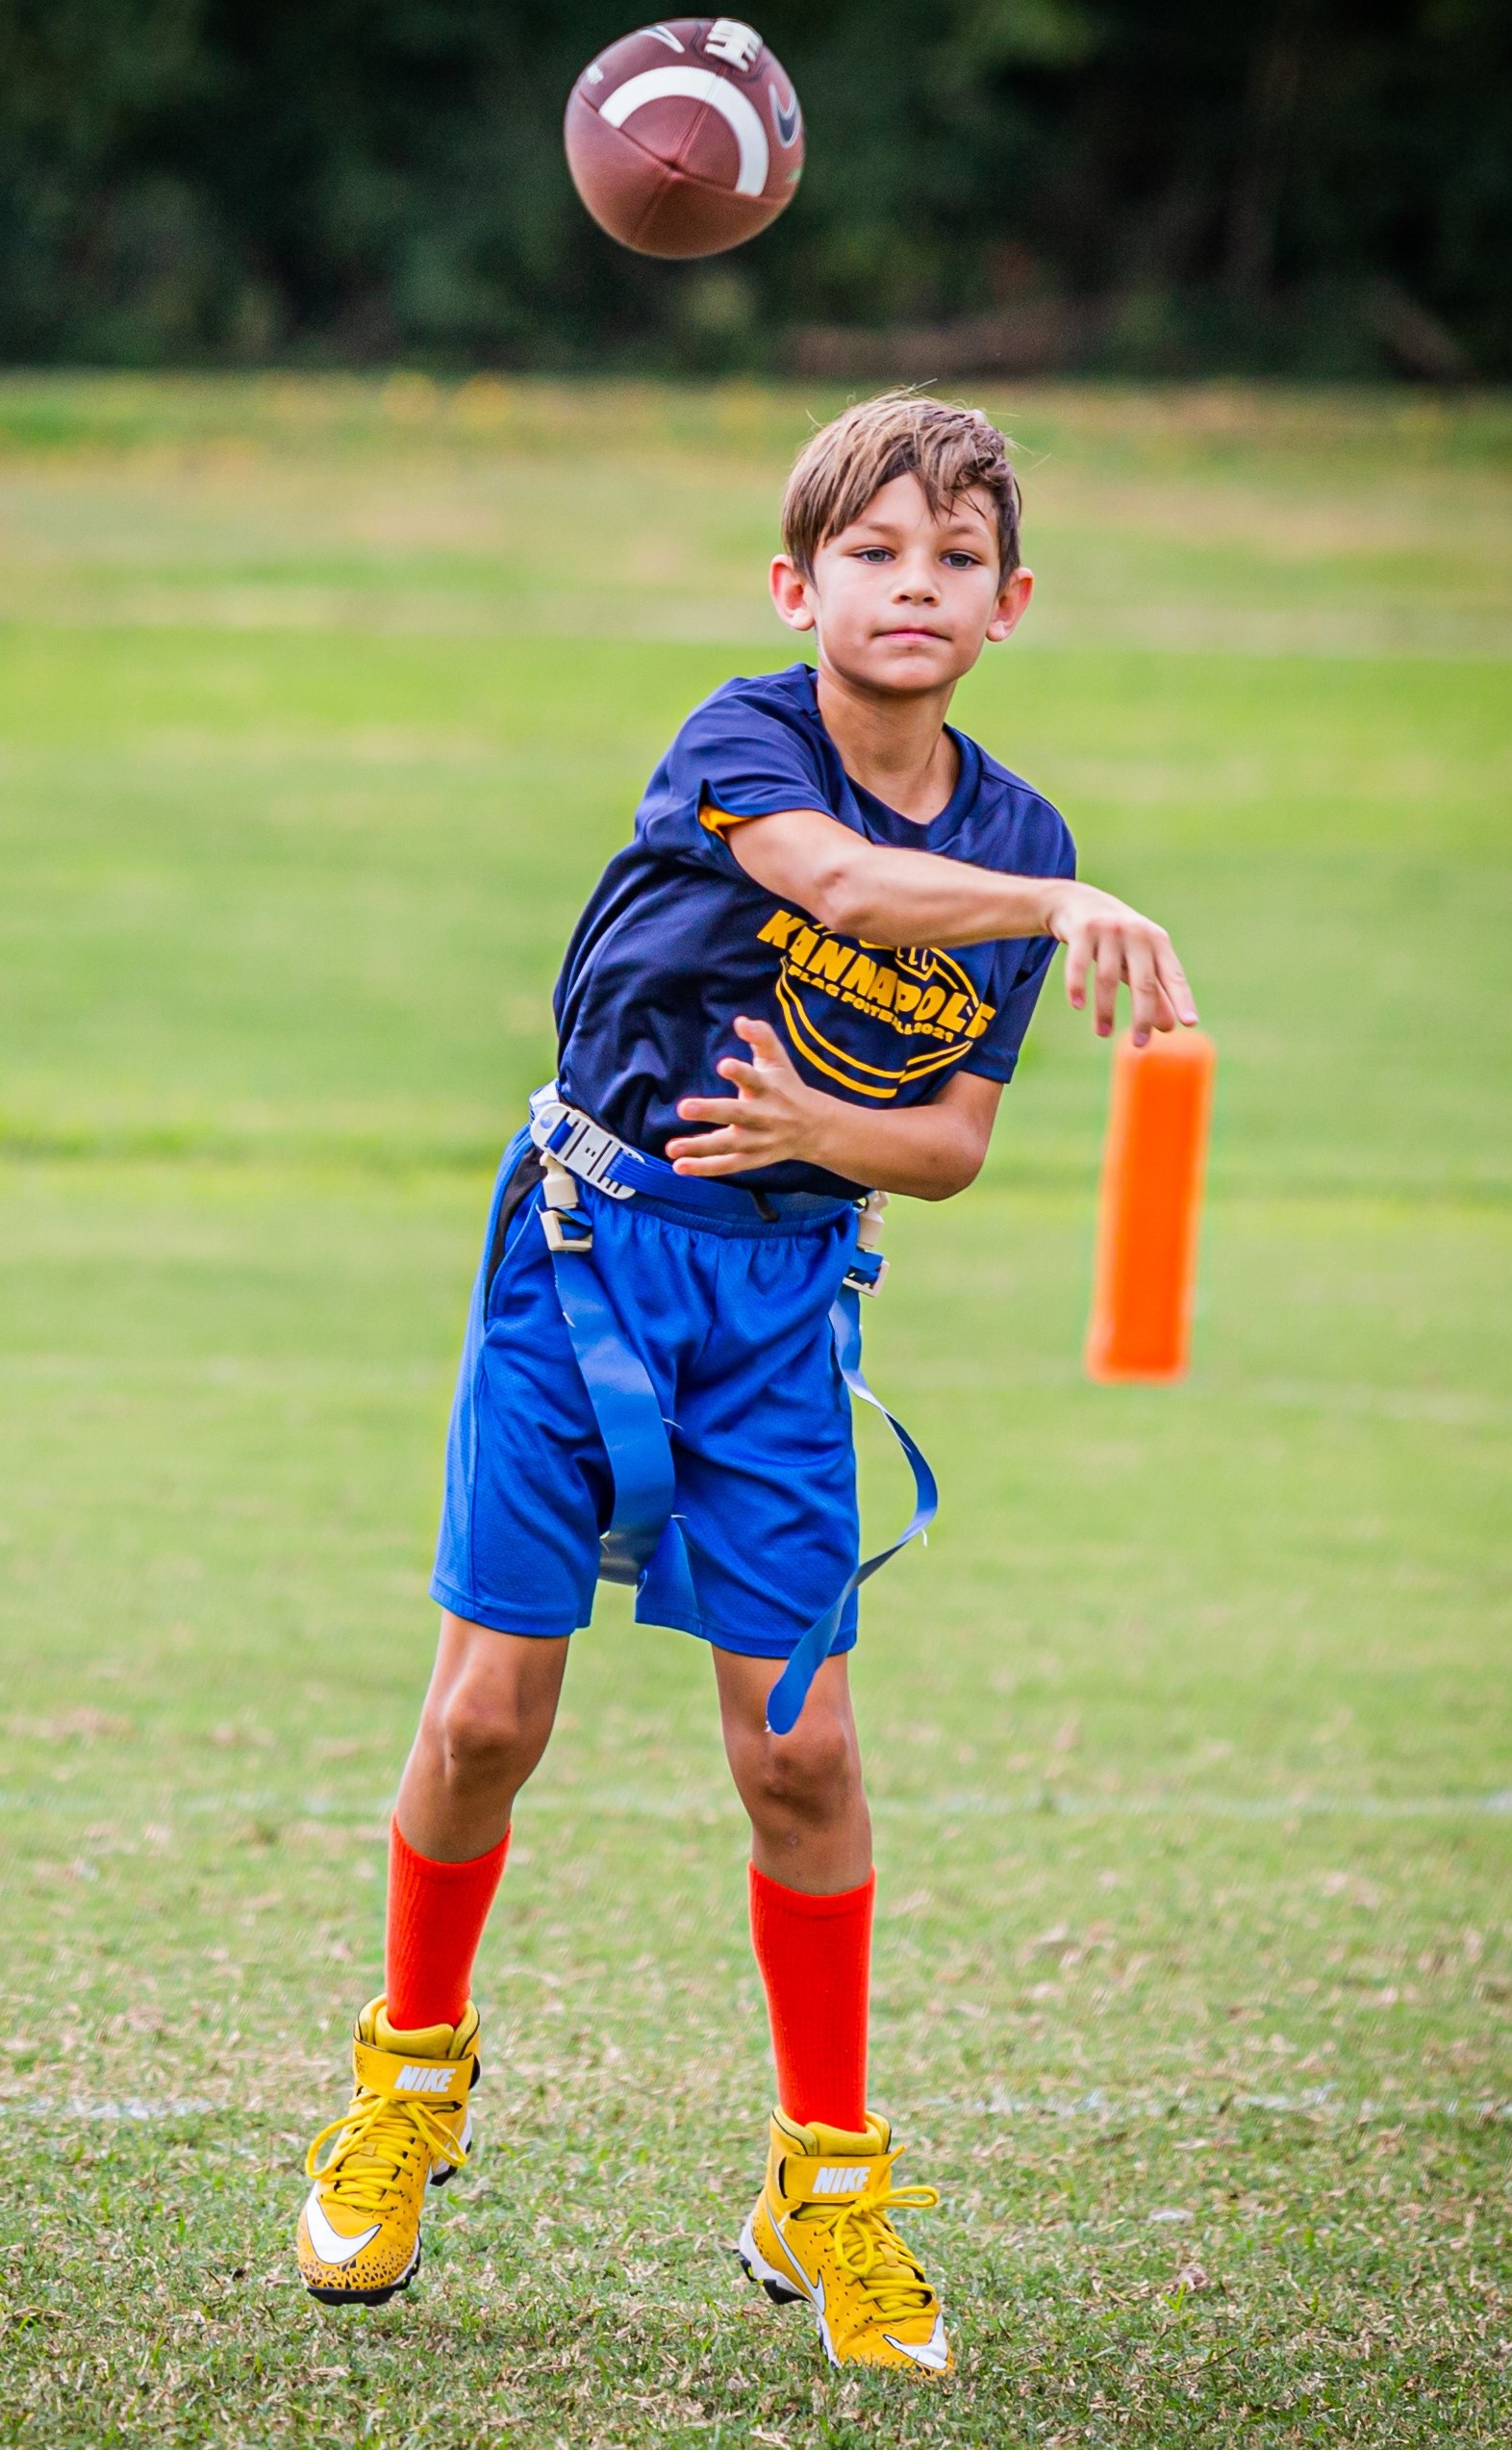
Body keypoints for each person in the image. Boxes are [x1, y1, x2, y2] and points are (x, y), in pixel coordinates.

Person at [295, 392, 1197, 2373]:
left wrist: (821, 1121)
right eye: (873, 553)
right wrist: (1061, 907)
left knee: (798, 1754)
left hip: (784, 1308)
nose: (914, 587)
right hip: (585, 1254)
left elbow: (953, 1144)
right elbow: (849, 890)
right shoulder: (746, 740)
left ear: (1010, 602)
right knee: (485, 1714)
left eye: (956, 559)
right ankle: (411, 2077)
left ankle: (824, 2177)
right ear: (798, 586)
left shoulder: (1020, 835)